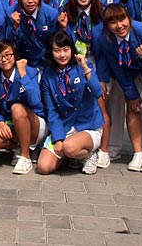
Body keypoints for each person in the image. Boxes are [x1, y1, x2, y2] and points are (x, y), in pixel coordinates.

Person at [100, 4, 142, 173]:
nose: (119, 26)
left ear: (129, 18)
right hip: (130, 74)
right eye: (112, 22)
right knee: (132, 105)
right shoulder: (106, 39)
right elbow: (117, 68)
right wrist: (131, 94)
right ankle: (138, 153)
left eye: (122, 20)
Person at [57, 0, 111, 168]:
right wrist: (64, 28)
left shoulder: (102, 13)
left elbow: (106, 50)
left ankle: (103, 150)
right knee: (80, 105)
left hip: (96, 64)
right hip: (75, 65)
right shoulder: (65, 12)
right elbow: (66, 45)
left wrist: (102, 78)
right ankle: (83, 147)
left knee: (100, 106)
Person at [37, 31, 105, 175]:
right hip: (65, 126)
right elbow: (51, 110)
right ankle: (71, 156)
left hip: (87, 125)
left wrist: (85, 68)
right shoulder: (48, 75)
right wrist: (58, 138)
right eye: (57, 50)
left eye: (66, 49)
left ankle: (89, 154)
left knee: (69, 147)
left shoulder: (84, 67)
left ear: (72, 50)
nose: (62, 55)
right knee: (43, 167)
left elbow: (98, 92)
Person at [0, 39, 47, 175]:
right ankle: (19, 147)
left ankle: (25, 157)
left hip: (35, 122)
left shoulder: (30, 72)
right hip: (11, 124)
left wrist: (23, 74)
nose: (4, 59)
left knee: (17, 108)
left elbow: (35, 101)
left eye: (8, 55)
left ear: (15, 55)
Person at [11, 0, 58, 69]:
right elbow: (12, 44)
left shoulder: (51, 14)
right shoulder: (12, 13)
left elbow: (54, 42)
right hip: (24, 61)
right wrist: (16, 27)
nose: (30, 1)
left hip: (46, 61)